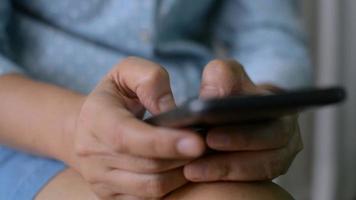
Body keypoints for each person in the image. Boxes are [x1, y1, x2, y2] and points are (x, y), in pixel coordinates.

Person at [0, 0, 311, 199]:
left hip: (183, 135)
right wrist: (76, 130)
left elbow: (269, 37)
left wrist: (262, 103)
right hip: (25, 131)